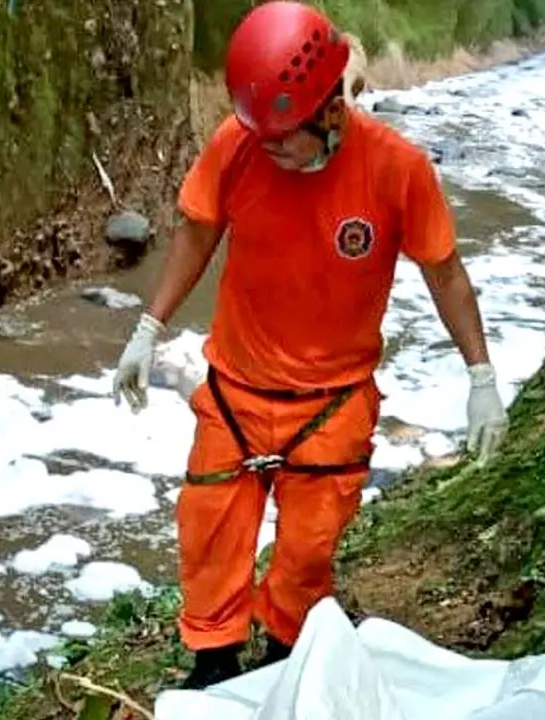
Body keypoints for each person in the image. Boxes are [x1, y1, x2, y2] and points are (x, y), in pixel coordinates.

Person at [109, 0, 509, 690]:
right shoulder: (239, 145)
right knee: (210, 534)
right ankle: (213, 662)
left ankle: (285, 659)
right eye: (258, 135)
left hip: (332, 404)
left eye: (281, 138)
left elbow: (445, 274)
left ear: (331, 111)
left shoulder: (397, 169)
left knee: (307, 550)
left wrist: (481, 377)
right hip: (235, 392)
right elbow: (197, 232)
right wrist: (150, 326)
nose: (267, 148)